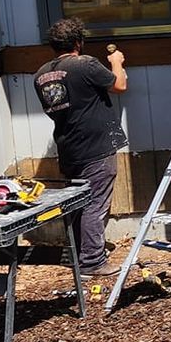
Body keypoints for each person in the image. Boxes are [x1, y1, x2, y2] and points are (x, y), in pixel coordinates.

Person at [33, 18, 128, 275]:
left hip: (68, 147)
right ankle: (92, 261)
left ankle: (77, 254)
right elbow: (119, 85)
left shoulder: (41, 75)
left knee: (76, 202)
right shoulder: (85, 64)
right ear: (78, 42)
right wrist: (117, 63)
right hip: (96, 145)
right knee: (95, 203)